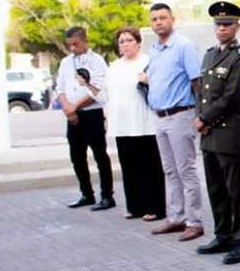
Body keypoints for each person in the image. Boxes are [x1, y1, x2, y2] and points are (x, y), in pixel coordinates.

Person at [194, 2, 240, 265]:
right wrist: (200, 117)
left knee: (235, 190)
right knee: (215, 188)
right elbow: (201, 91)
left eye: (227, 24)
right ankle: (223, 234)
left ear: (237, 27)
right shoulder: (209, 55)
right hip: (208, 134)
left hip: (228, 134)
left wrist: (205, 119)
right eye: (218, 24)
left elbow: (232, 97)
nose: (222, 28)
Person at [81, 28, 166, 221]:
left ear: (138, 42)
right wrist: (88, 84)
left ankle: (155, 207)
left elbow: (161, 86)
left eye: (129, 40)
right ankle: (135, 206)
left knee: (150, 167)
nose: (125, 44)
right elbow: (104, 96)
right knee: (129, 167)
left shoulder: (148, 62)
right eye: (121, 41)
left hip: (145, 122)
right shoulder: (114, 67)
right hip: (122, 124)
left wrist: (149, 80)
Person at [138, 3, 205, 241]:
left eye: (162, 18)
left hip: (181, 115)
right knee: (169, 170)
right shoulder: (155, 49)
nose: (158, 22)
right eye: (154, 18)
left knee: (186, 170)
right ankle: (176, 217)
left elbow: (198, 82)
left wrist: (201, 115)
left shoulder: (184, 46)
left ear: (172, 19)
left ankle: (194, 222)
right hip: (160, 117)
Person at [56, 26, 115, 211]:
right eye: (70, 45)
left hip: (92, 113)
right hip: (72, 115)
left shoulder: (97, 61)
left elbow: (98, 88)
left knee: (99, 155)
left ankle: (107, 196)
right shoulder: (65, 62)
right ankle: (86, 194)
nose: (73, 48)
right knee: (76, 156)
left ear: (84, 41)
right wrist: (67, 107)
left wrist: (75, 106)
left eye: (76, 44)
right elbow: (60, 87)